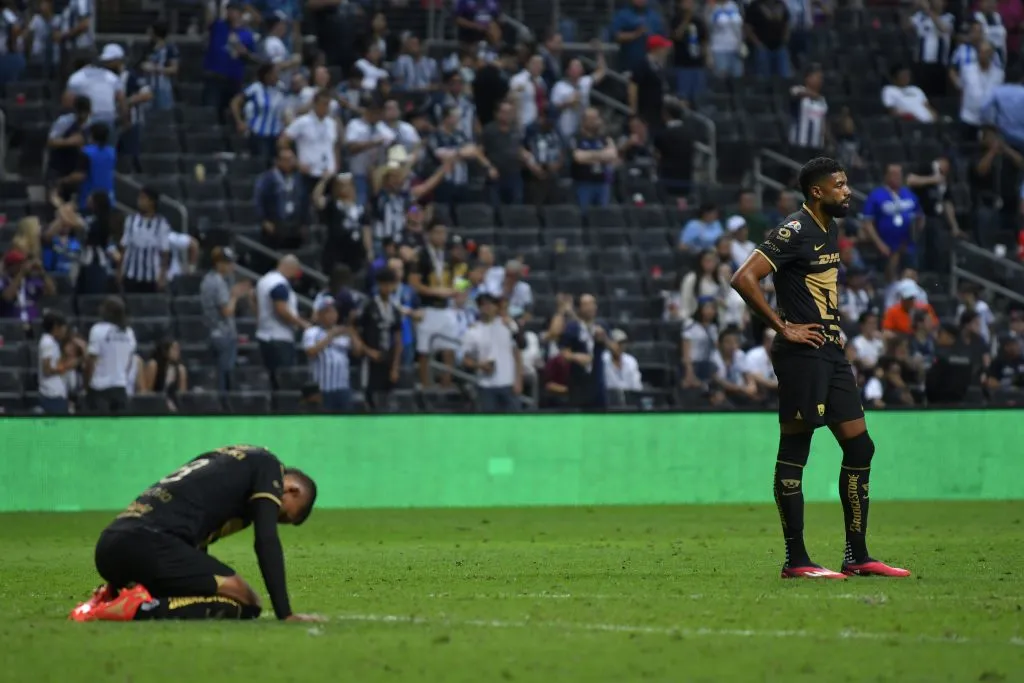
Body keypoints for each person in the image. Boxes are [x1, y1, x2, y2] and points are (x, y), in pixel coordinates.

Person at [731, 156, 911, 579]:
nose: (847, 191)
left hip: (830, 351)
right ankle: (796, 560)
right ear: (817, 191)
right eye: (840, 184)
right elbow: (743, 277)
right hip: (802, 354)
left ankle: (858, 555)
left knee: (860, 446)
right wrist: (784, 327)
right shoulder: (794, 229)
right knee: (796, 449)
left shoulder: (830, 228)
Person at [70, 445, 322, 623]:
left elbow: (193, 541)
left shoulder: (229, 460)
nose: (274, 518)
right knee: (247, 601)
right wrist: (285, 613)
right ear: (291, 490)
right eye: (283, 516)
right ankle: (139, 609)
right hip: (147, 542)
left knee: (210, 597)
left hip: (112, 545)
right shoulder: (269, 466)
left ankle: (113, 593)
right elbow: (265, 540)